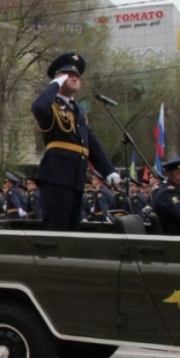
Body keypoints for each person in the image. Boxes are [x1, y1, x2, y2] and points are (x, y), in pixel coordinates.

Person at [31, 51, 119, 231]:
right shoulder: (51, 105)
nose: (75, 78)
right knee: (57, 230)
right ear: (59, 78)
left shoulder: (77, 111)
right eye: (69, 75)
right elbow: (38, 107)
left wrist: (108, 171)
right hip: (56, 176)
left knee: (71, 231)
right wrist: (55, 84)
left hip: (75, 178)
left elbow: (91, 144)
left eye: (77, 76)